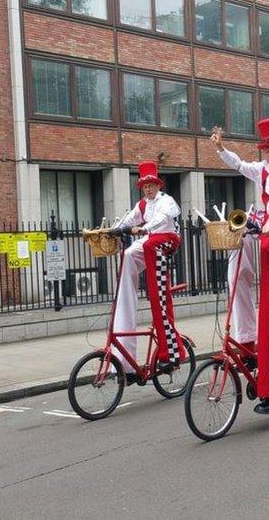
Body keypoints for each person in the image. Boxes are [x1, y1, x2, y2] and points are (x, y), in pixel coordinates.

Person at [211, 118, 269, 415]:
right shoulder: (262, 169)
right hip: (264, 222)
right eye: (266, 149)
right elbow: (239, 165)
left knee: (265, 248)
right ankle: (246, 333)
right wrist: (221, 149)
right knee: (236, 257)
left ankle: (268, 310)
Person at [112, 161, 186, 378]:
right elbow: (128, 218)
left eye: (151, 185)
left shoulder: (166, 201)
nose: (148, 189)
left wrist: (145, 228)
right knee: (127, 255)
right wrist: (114, 230)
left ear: (158, 185)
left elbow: (163, 218)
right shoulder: (142, 204)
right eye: (145, 186)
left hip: (167, 239)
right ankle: (127, 292)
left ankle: (171, 351)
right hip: (150, 241)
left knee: (147, 244)